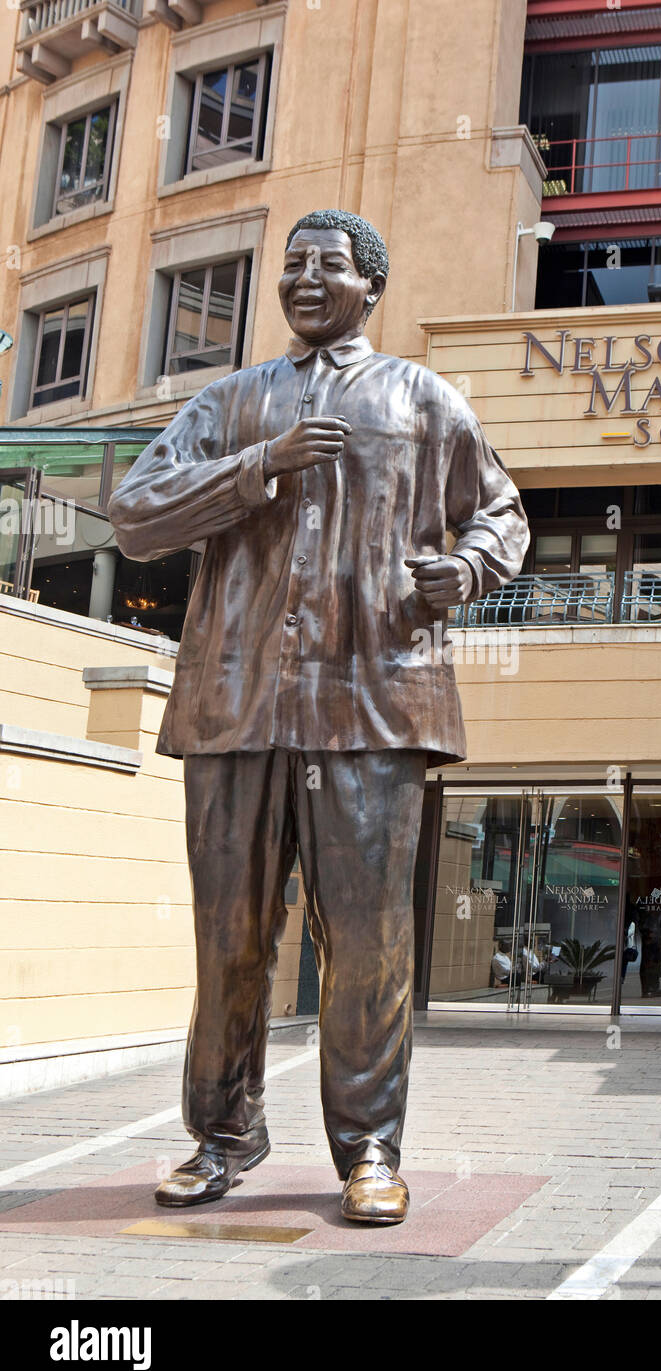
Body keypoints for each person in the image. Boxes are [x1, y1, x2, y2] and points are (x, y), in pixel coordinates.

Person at [109, 209, 529, 1224]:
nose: (305, 278)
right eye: (292, 265)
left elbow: (503, 513)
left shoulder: (423, 400)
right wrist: (258, 466)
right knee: (229, 938)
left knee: (371, 944)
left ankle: (371, 1147)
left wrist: (462, 568)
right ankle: (221, 1135)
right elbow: (134, 513)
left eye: (329, 264)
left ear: (369, 284)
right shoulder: (231, 402)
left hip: (373, 704)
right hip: (237, 706)